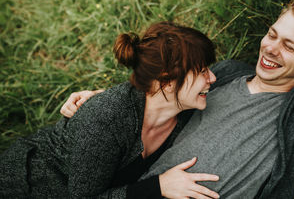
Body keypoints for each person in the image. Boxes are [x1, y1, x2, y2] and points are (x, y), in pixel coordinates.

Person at [63, 0, 294, 198]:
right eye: (272, 34)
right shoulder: (226, 74)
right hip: (142, 190)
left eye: (290, 45)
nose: (271, 48)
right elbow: (172, 89)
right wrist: (108, 102)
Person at [0, 22, 221, 198]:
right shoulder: (107, 118)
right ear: (166, 81)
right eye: (202, 71)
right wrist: (158, 186)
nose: (213, 77)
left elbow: (233, 71)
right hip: (27, 184)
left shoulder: (183, 108)